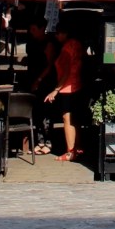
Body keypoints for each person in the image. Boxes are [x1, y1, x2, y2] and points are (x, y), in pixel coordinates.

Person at [43, 28, 85, 161]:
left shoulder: (66, 48)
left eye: (58, 33)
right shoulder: (77, 44)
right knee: (74, 119)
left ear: (65, 33)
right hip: (77, 84)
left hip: (67, 87)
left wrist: (55, 90)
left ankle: (70, 152)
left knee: (66, 118)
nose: (56, 36)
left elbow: (66, 71)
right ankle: (77, 148)